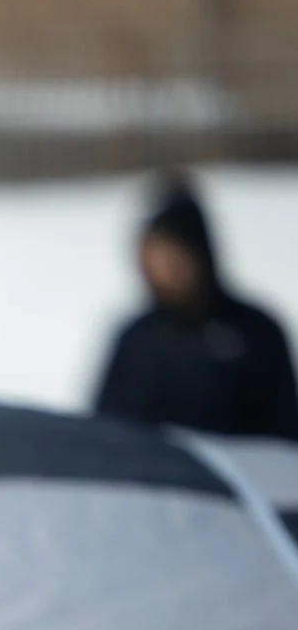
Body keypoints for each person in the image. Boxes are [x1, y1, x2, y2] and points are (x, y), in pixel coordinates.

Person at [93, 175, 298, 438]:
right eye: (156, 255)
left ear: (200, 251)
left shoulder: (255, 332)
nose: (167, 267)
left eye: (176, 253)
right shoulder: (136, 339)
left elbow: (285, 435)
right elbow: (103, 430)